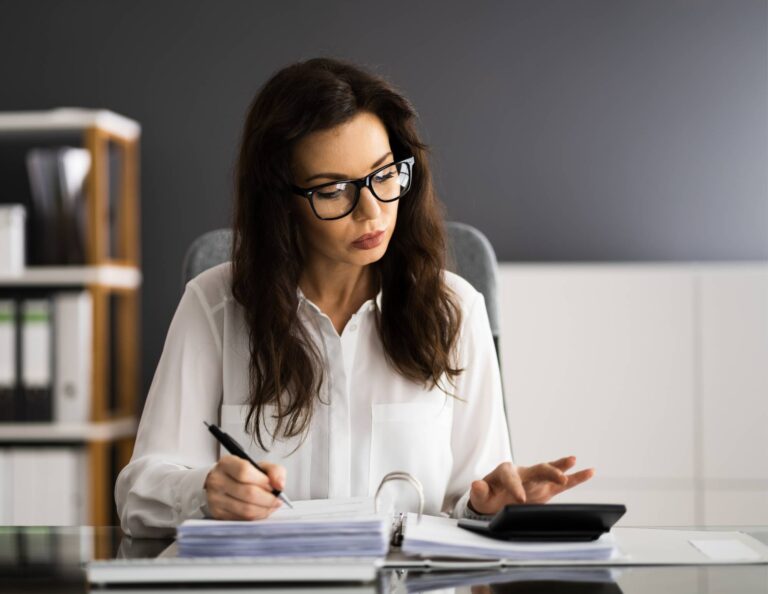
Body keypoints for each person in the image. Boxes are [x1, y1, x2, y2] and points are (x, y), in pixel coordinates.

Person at [115, 57, 595, 538]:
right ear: (281, 203)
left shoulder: (457, 311)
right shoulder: (215, 304)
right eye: (333, 190)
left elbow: (471, 505)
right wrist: (205, 492)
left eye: (384, 175)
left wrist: (487, 506)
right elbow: (138, 495)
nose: (371, 211)